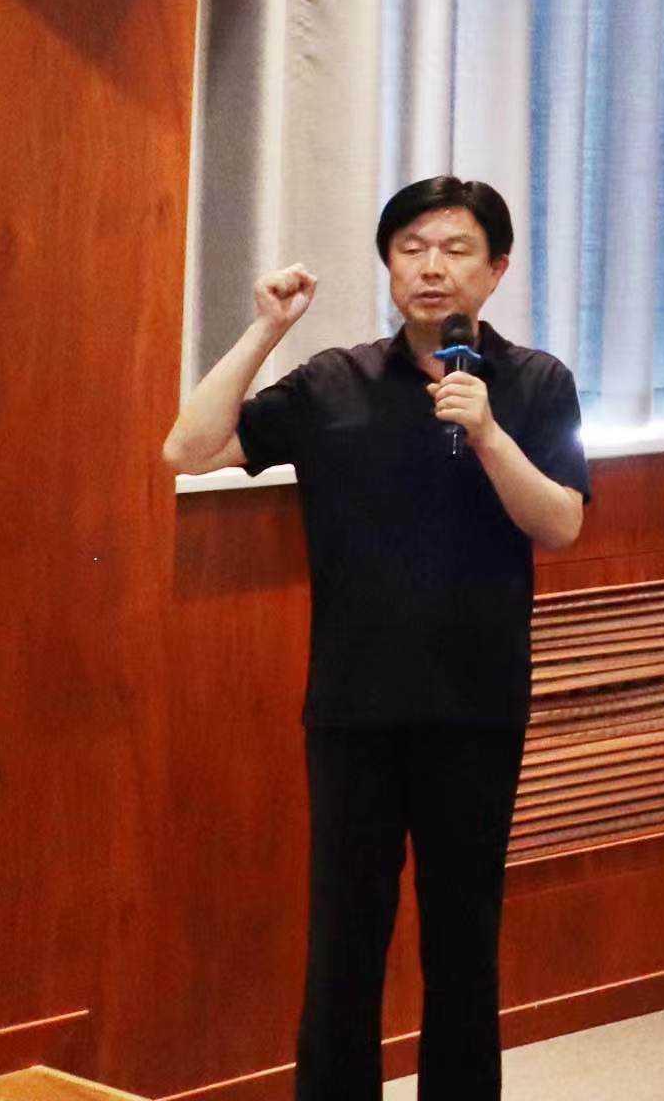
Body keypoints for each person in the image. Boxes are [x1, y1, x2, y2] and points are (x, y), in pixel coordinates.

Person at [164, 180, 591, 1101]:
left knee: (463, 947)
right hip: (354, 707)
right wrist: (265, 329)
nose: (432, 267)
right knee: (343, 946)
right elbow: (188, 450)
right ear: (390, 265)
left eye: (456, 248)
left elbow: (560, 523)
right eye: (410, 247)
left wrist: (488, 433)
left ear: (497, 269)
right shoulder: (334, 383)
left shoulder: (535, 382)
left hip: (476, 708)